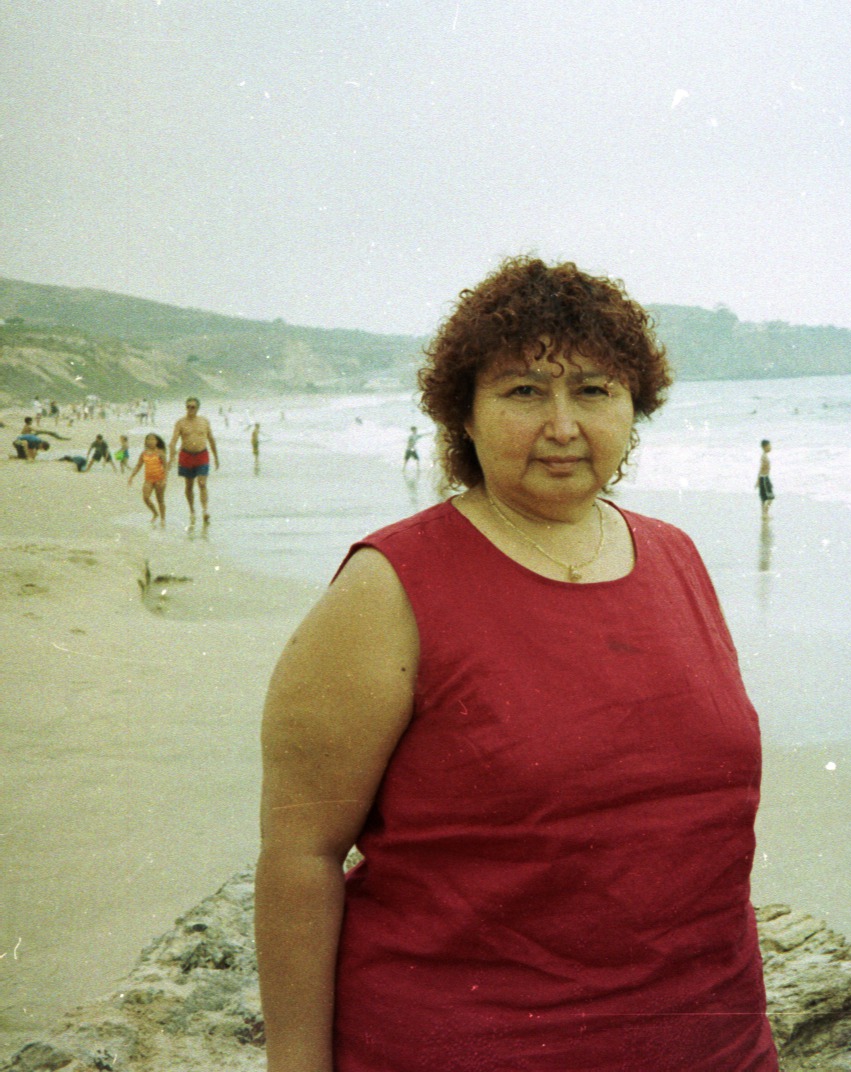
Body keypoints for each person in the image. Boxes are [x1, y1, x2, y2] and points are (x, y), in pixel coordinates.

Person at [256, 256, 779, 1072]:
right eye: (524, 391)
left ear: (636, 407)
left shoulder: (678, 558)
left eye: (595, 390)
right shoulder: (389, 587)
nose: (564, 424)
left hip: (717, 1048)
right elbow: (301, 856)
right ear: (461, 414)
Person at [169, 396, 219, 527]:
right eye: (188, 407)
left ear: (198, 408)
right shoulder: (180, 422)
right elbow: (173, 440)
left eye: (193, 407)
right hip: (186, 455)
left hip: (202, 455)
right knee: (189, 486)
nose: (190, 409)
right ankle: (192, 510)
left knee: (202, 483)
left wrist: (216, 457)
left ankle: (205, 510)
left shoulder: (204, 421)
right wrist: (172, 455)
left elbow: (211, 439)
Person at [128, 433, 168, 526]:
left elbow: (166, 466)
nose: (150, 442)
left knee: (160, 500)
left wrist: (165, 479)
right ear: (146, 441)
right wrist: (132, 476)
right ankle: (155, 513)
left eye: (152, 439)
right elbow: (138, 465)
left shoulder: (160, 452)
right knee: (145, 498)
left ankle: (163, 519)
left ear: (157, 441)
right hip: (148, 480)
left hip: (160, 479)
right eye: (148, 440)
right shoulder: (144, 453)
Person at [756, 439, 774, 518]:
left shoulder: (764, 456)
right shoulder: (764, 457)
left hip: (766, 477)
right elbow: (761, 468)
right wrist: (758, 480)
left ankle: (764, 513)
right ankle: (765, 513)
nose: (770, 448)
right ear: (765, 447)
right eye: (769, 446)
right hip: (764, 478)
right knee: (769, 497)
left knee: (765, 497)